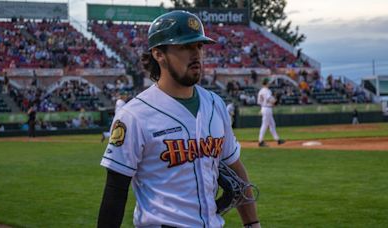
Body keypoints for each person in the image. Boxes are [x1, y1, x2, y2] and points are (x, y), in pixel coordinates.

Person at [98, 10, 260, 228]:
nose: (196, 54)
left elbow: (235, 169)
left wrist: (252, 225)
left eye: (199, 46)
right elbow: (115, 190)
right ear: (158, 54)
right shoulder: (134, 114)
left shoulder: (215, 104)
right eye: (184, 47)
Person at [257, 78, 285, 147]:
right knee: (264, 125)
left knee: (272, 124)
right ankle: (260, 141)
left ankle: (278, 140)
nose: (269, 83)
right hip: (267, 109)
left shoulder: (260, 91)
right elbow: (269, 99)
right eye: (268, 82)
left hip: (264, 108)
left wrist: (272, 102)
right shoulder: (267, 90)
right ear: (266, 83)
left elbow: (259, 102)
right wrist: (276, 101)